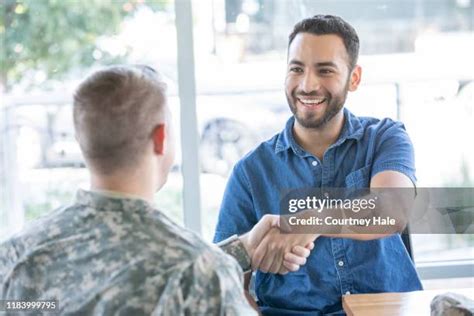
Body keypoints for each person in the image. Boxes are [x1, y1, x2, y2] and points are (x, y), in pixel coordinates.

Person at [0, 65, 313, 315]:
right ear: (161, 138)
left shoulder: (15, 257)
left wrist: (241, 249)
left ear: (83, 141)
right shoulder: (199, 273)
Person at [213, 15, 423, 315]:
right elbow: (225, 278)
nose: (307, 85)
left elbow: (391, 210)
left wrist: (307, 221)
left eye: (325, 70)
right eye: (296, 69)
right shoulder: (250, 172)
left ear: (354, 78)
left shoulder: (385, 138)